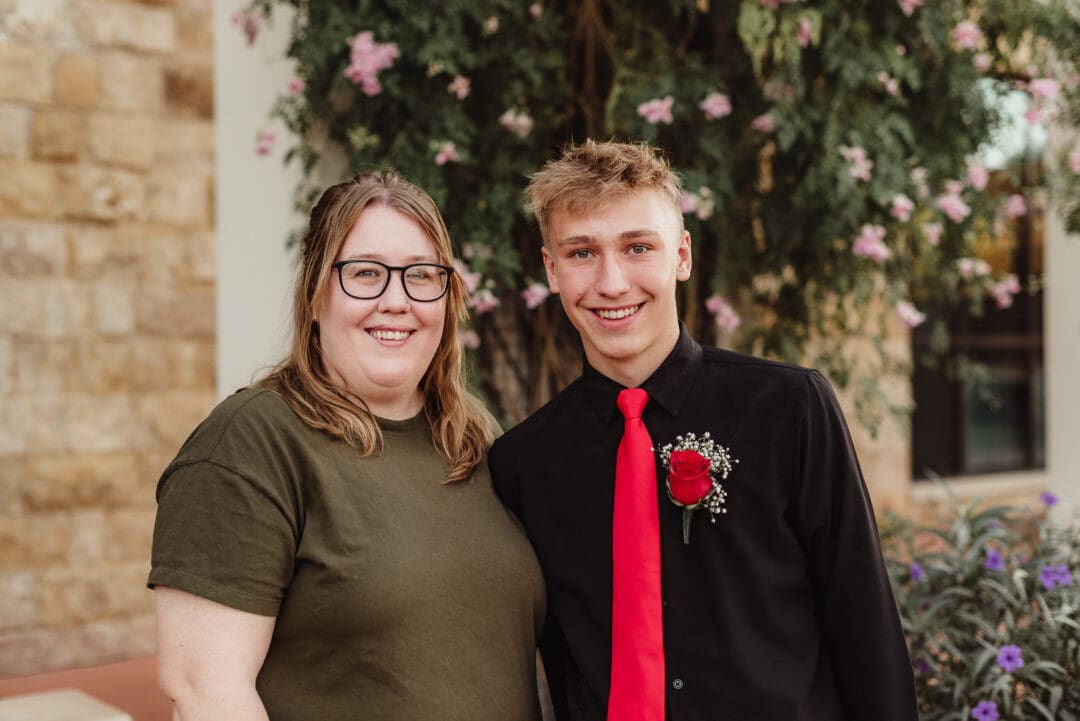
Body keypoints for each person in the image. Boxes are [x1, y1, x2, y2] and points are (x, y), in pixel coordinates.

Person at [489, 140, 918, 721]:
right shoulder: (524, 462)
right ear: (551, 269)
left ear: (682, 256)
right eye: (582, 253)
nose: (612, 283)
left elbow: (864, 627)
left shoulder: (788, 408)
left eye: (638, 247)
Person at [149, 169, 545, 721]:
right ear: (314, 295)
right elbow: (205, 690)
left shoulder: (474, 439)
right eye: (364, 273)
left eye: (421, 276)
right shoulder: (252, 442)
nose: (396, 300)